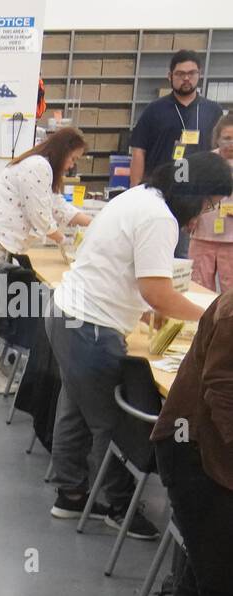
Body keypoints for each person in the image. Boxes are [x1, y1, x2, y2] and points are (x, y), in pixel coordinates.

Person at [46, 152, 232, 539]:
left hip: (69, 314)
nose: (208, 212)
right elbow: (158, 292)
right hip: (91, 327)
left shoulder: (139, 197)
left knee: (76, 409)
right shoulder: (159, 217)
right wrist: (213, 319)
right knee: (111, 423)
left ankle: (71, 494)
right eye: (210, 202)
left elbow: (132, 276)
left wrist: (145, 307)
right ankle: (117, 504)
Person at [128, 291, 233, 596]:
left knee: (202, 572)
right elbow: (225, 396)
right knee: (224, 592)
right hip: (196, 451)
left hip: (210, 450)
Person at [0, 127, 93, 390]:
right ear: (63, 150)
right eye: (72, 158)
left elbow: (57, 207)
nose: (71, 165)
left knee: (0, 307)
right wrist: (64, 241)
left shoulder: (43, 168)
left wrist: (95, 222)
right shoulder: (38, 166)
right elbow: (41, 215)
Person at [129, 50, 222, 256]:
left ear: (200, 74)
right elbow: (138, 152)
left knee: (187, 260)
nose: (186, 78)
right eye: (180, 74)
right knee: (153, 253)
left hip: (197, 197)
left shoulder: (213, 110)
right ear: (170, 76)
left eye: (191, 73)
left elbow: (218, 156)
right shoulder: (154, 110)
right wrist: (134, 192)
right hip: (159, 194)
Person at [187, 114, 233, 292]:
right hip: (203, 236)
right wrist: (190, 216)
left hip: (231, 240)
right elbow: (190, 194)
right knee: (197, 287)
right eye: (227, 138)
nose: (230, 143)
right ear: (217, 139)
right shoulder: (205, 162)